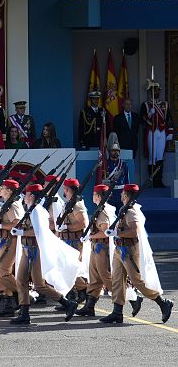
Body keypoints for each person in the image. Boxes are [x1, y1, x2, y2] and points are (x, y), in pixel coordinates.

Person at [100, 184, 173, 324]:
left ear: (126, 195)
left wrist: (117, 233)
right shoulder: (125, 209)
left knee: (137, 281)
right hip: (119, 249)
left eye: (122, 194)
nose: (120, 196)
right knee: (117, 281)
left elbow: (134, 231)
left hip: (129, 251)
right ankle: (117, 312)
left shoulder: (131, 212)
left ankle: (163, 302)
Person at [9, 183, 80, 325]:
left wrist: (21, 232)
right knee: (20, 280)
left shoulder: (37, 211)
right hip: (26, 249)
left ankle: (67, 303)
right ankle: (24, 313)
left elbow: (39, 232)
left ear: (32, 196)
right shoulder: (30, 209)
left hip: (35, 251)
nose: (25, 197)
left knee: (39, 284)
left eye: (27, 194)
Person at [75, 185, 116, 317]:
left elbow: (105, 232)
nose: (92, 196)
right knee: (95, 278)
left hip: (101, 248)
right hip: (95, 247)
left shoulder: (103, 212)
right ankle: (89, 306)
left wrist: (90, 236)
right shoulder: (100, 209)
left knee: (105, 276)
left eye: (94, 194)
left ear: (98, 196)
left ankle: (129, 299)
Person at [0, 180, 23, 317]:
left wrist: (1, 227)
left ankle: (22, 294)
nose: (0, 189)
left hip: (9, 241)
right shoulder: (6, 204)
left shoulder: (13, 205)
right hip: (2, 240)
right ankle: (8, 302)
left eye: (2, 188)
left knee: (3, 271)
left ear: (9, 190)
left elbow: (17, 224)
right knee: (0, 272)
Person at [140, 81, 173, 188]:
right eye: (154, 90)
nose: (156, 92)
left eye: (158, 90)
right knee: (152, 157)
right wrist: (149, 114)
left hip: (162, 132)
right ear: (151, 91)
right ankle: (152, 181)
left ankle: (159, 181)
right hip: (152, 131)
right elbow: (142, 118)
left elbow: (169, 119)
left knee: (160, 157)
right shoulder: (146, 104)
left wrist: (170, 132)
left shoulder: (165, 104)